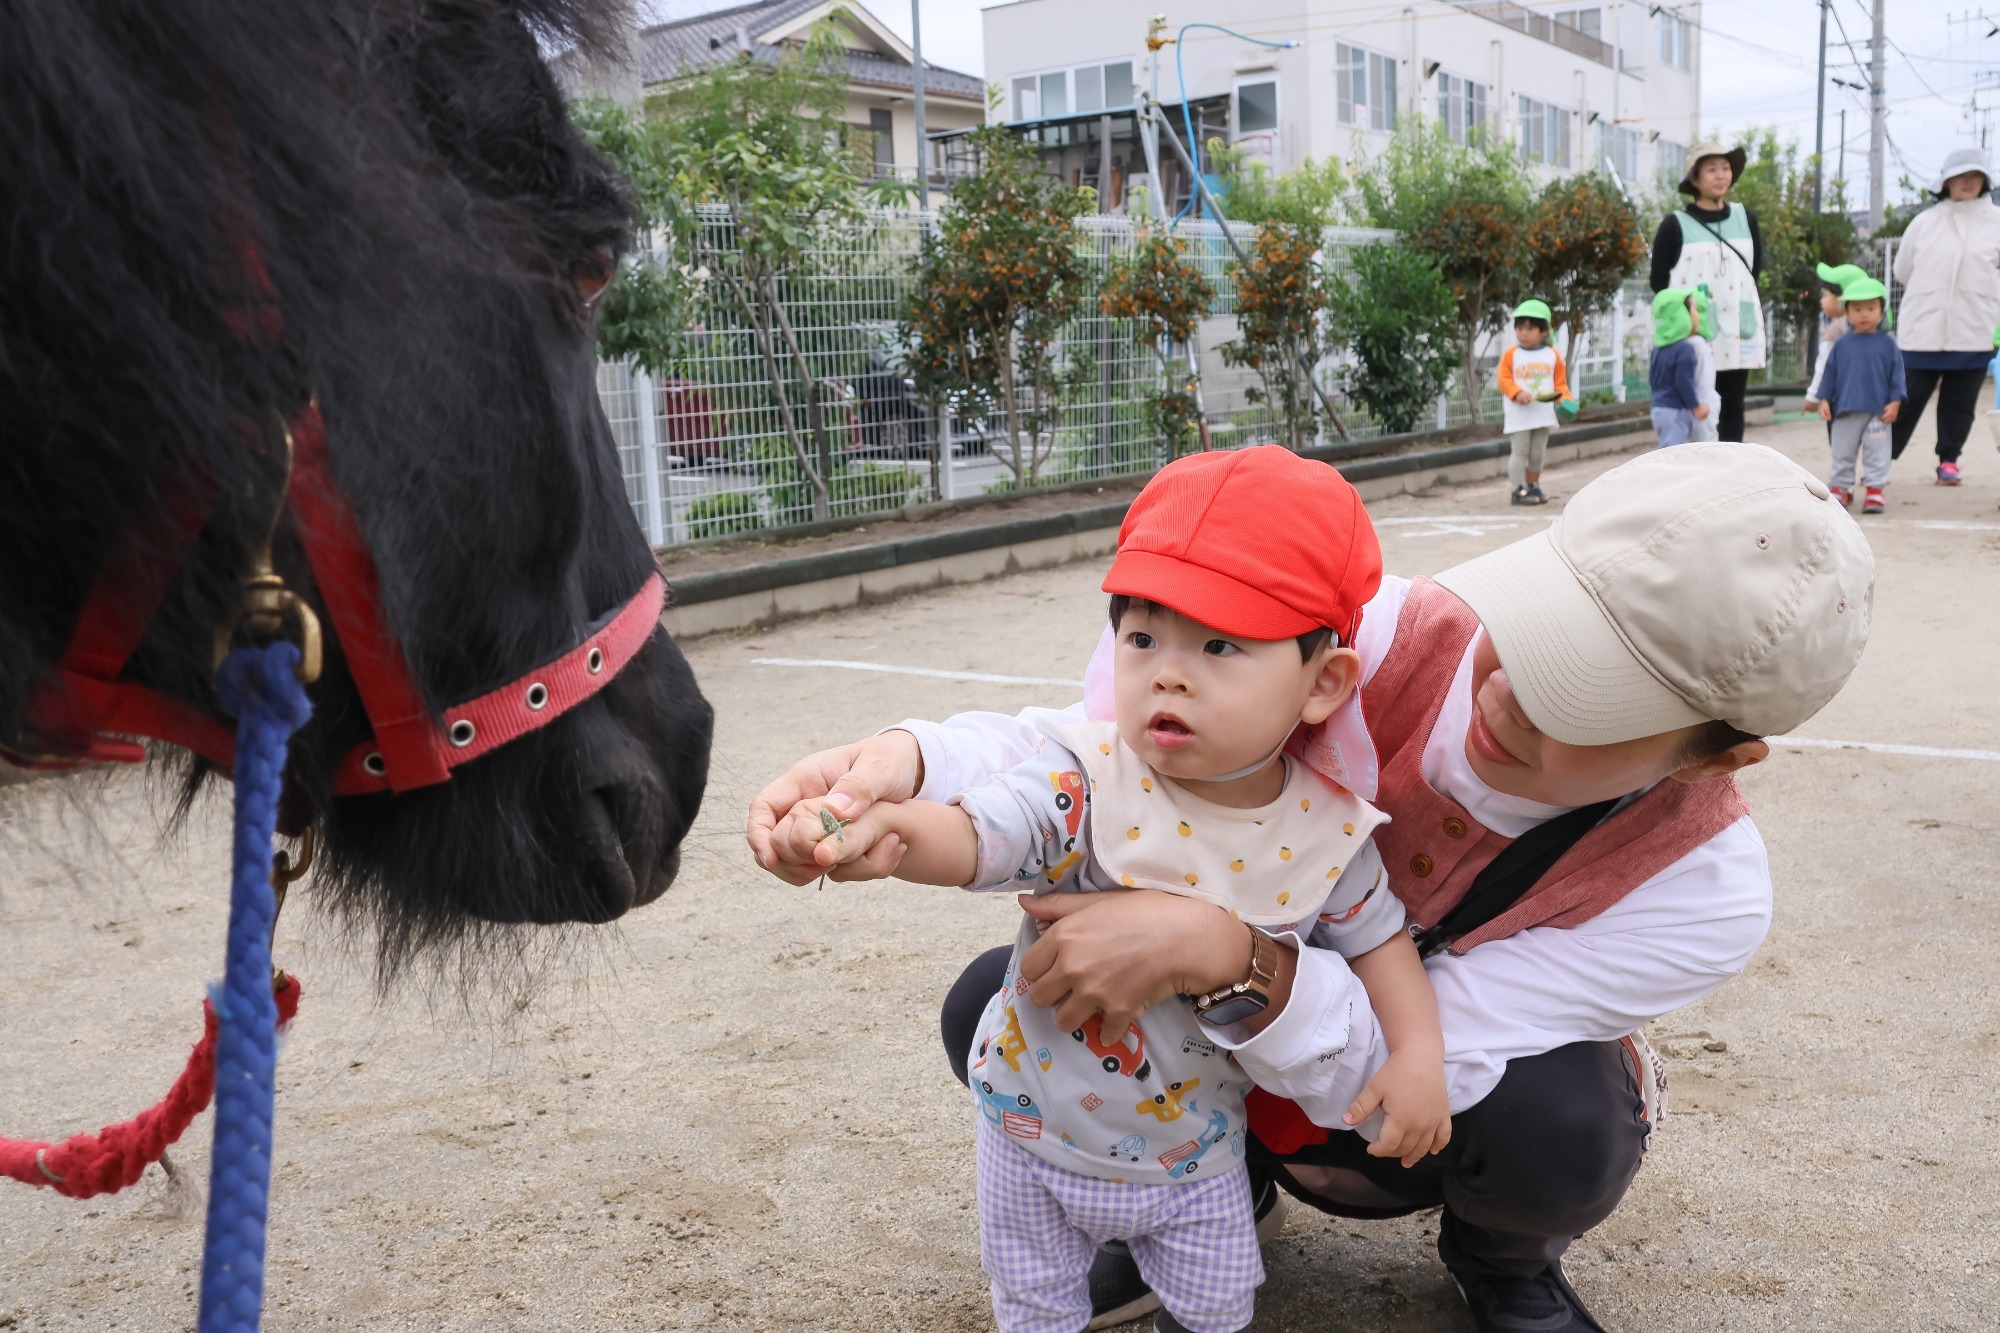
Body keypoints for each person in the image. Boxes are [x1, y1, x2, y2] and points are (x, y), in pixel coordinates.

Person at [747, 442, 1877, 1333]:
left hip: (1396, 1084)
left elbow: (1392, 1067)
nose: (1508, 682)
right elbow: (1092, 751)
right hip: (1221, 1051)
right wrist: (901, 764)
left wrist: (1215, 948)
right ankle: (1203, 1191)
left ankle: (1499, 1260)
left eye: (1587, 693)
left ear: (1714, 753)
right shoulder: (1374, 629)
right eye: (1541, 625)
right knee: (999, 998)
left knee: (1561, 1126)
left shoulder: (1698, 887)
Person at [765, 448, 1447, 1333]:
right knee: (1035, 1307)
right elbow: (981, 830)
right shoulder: (1086, 777)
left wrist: (1419, 1057)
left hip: (1199, 1156)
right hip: (1025, 1135)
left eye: (1218, 644)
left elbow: (1381, 944)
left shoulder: (1328, 831)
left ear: (1323, 683)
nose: (1167, 670)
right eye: (1142, 636)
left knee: (1215, 1310)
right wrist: (884, 835)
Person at [1889, 146, 2000, 485]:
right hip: (1922, 328)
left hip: (1975, 327)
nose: (1967, 182)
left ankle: (1949, 460)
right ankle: (1882, 462)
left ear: (1985, 181)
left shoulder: (1997, 221)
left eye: (1974, 175)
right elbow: (1902, 270)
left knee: (1959, 403)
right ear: (1945, 181)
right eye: (1960, 176)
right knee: (1903, 401)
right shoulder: (1923, 223)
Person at [1650, 142, 1766, 442]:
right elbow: (1659, 283)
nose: (1720, 175)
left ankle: (1730, 471)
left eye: (1725, 168)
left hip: (1738, 328)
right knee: (1694, 401)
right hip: (1695, 331)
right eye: (1711, 169)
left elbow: (1755, 270)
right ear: (1695, 179)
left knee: (1734, 403)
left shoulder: (1746, 218)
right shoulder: (1674, 225)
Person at [1814, 276, 1904, 514]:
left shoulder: (1889, 343)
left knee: (1878, 452)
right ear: (1847, 312)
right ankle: (1841, 488)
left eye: (1871, 308)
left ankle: (1875, 490)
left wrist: (1895, 401)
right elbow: (1829, 375)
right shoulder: (1842, 344)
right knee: (1842, 451)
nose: (1864, 314)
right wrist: (1823, 399)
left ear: (1881, 310)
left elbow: (1897, 375)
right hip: (1845, 409)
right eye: (1857, 308)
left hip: (1878, 412)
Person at [1496, 299, 1574, 506]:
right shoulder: (1511, 354)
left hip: (1543, 414)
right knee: (1520, 452)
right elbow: (1503, 379)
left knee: (1537, 454)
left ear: (1543, 331)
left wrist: (1566, 399)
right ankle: (1517, 490)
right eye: (1519, 328)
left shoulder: (1552, 355)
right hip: (1519, 415)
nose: (1523, 333)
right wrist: (1516, 392)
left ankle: (1533, 486)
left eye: (1530, 328)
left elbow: (1560, 384)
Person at [1802, 262, 1867, 419]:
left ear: (1842, 298)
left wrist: (1812, 397)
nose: (1822, 301)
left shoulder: (1834, 331)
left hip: (1839, 400)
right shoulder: (1871, 330)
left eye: (1825, 295)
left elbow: (1823, 365)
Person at [1648, 287, 1708, 447]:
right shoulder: (1685, 349)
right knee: (1671, 456)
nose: (1697, 315)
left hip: (1659, 409)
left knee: (1670, 450)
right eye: (1694, 309)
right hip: (1676, 411)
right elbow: (1683, 381)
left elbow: (1653, 380)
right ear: (1680, 316)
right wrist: (1697, 407)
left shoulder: (1658, 349)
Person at [1686, 287, 1721, 443]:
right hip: (1697, 405)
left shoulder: (1697, 345)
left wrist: (1701, 404)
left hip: (1703, 405)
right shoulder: (1692, 343)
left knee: (1705, 446)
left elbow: (1706, 379)